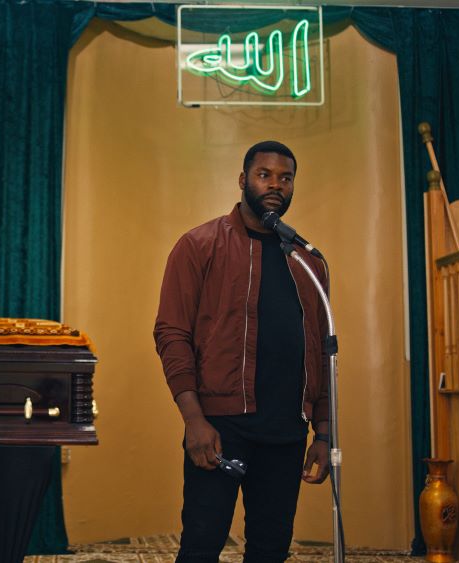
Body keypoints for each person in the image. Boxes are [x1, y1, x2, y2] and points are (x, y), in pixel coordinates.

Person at [154, 141, 331, 562]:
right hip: (219, 427)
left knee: (271, 550)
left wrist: (323, 432)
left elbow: (324, 353)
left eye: (285, 178)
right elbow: (171, 333)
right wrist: (194, 420)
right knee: (201, 544)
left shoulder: (308, 262)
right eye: (264, 174)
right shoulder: (199, 245)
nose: (275, 185)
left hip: (287, 430)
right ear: (242, 180)